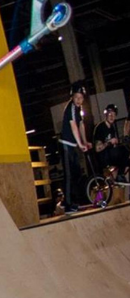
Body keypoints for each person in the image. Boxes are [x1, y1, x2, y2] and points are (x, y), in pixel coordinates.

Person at [57, 81, 91, 213]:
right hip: (65, 145)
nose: (79, 100)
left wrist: (85, 141)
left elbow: (81, 125)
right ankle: (68, 205)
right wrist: (80, 144)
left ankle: (68, 200)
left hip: (72, 146)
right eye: (77, 97)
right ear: (72, 97)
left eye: (81, 98)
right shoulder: (70, 107)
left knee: (77, 172)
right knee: (69, 174)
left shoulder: (79, 109)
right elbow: (74, 126)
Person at [93, 104, 129, 180]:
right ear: (106, 115)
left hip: (110, 156)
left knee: (126, 150)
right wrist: (109, 142)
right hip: (103, 158)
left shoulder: (112, 128)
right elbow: (97, 148)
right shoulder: (101, 127)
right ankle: (121, 175)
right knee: (123, 150)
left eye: (114, 115)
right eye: (110, 114)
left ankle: (123, 176)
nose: (112, 117)